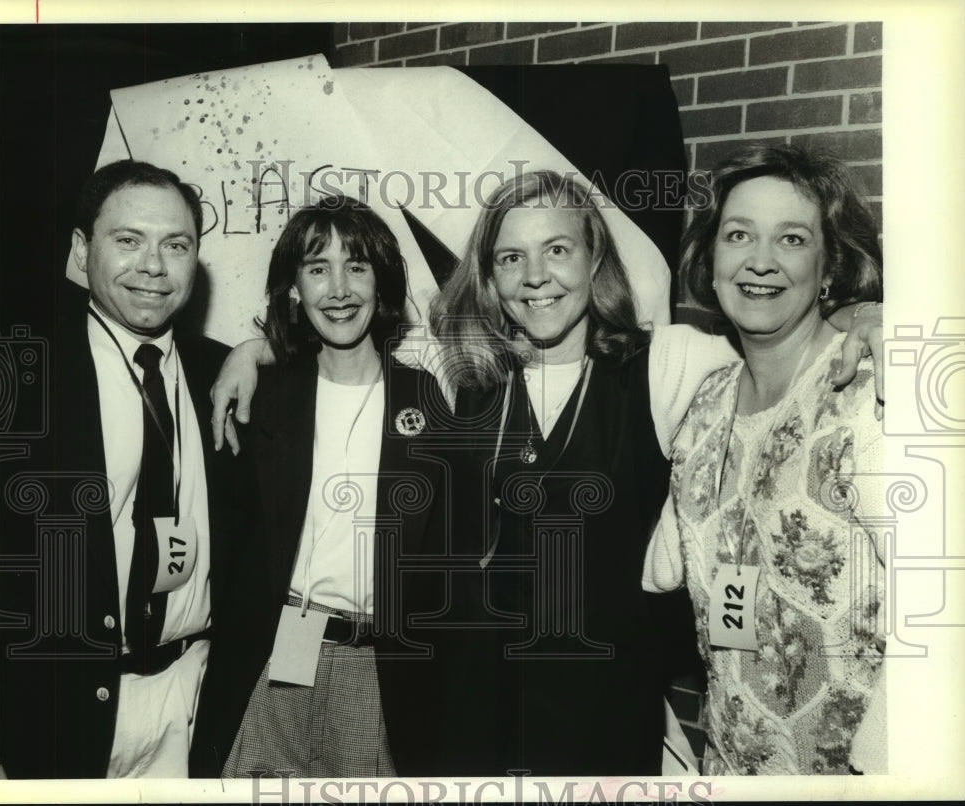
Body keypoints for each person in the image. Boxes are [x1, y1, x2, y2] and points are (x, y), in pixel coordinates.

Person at [208, 170, 883, 776]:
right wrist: (254, 348)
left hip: (597, 724)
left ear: (595, 262)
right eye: (511, 257)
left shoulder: (666, 364)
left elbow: (776, 333)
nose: (535, 275)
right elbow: (346, 329)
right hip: (464, 717)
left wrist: (865, 313)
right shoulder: (452, 365)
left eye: (558, 250)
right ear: (491, 278)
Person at [643, 144, 886, 774]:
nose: (759, 261)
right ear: (712, 256)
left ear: (830, 266)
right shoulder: (705, 404)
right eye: (739, 234)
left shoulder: (870, 396)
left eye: (792, 240)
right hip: (732, 761)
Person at [0, 160, 236, 778]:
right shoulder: (16, 377)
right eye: (128, 240)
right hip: (59, 712)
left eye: (175, 245)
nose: (153, 266)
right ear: (80, 251)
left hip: (195, 698)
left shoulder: (223, 373)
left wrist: (259, 349)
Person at [188, 196, 447, 778]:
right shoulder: (262, 397)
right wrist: (250, 351)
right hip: (281, 647)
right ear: (293, 290)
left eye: (356, 266)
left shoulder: (425, 399)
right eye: (316, 267)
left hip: (379, 666)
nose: (338, 288)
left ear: (382, 285)